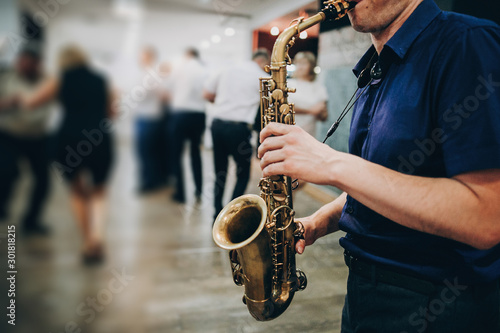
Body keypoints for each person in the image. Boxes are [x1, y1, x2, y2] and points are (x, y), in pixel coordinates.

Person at [258, 0, 500, 331]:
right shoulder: (376, 66)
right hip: (365, 292)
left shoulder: (467, 44)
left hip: (437, 303)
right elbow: (385, 183)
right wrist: (316, 223)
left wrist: (331, 163)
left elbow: (487, 217)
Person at [21, 45, 115, 264]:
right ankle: (98, 236)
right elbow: (112, 111)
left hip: (69, 138)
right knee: (99, 190)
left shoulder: (60, 79)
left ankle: (88, 240)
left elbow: (31, 102)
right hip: (100, 137)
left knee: (77, 190)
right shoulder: (101, 79)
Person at [203, 49, 269, 219]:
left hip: (217, 124)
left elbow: (207, 94)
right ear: (263, 62)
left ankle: (216, 213)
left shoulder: (227, 69)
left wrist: (225, 102)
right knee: (242, 173)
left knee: (220, 171)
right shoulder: (262, 77)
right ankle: (231, 215)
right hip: (239, 130)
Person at [0, 45, 52, 235]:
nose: (22, 66)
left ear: (37, 64)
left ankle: (32, 221)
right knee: (7, 172)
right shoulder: (7, 78)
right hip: (9, 135)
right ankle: (2, 207)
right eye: (20, 62)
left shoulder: (48, 81)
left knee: (43, 181)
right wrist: (10, 102)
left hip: (37, 138)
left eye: (28, 63)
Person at [167, 48, 207, 203]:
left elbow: (169, 90)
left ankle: (181, 193)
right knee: (195, 152)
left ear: (188, 55)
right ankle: (199, 190)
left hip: (180, 114)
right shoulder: (203, 70)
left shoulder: (179, 68)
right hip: (198, 115)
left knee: (176, 154)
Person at [133, 46, 166, 194]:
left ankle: (149, 183)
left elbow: (156, 95)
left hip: (149, 118)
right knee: (150, 152)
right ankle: (153, 180)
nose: (140, 59)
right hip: (147, 117)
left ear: (150, 57)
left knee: (146, 152)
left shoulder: (151, 75)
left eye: (142, 56)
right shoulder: (150, 74)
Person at [288, 51, 328, 136]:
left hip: (309, 132)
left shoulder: (318, 87)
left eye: (304, 63)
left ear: (311, 66)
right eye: (298, 63)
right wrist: (310, 110)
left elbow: (324, 116)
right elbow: (284, 108)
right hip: (289, 130)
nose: (300, 67)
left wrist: (320, 112)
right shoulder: (288, 84)